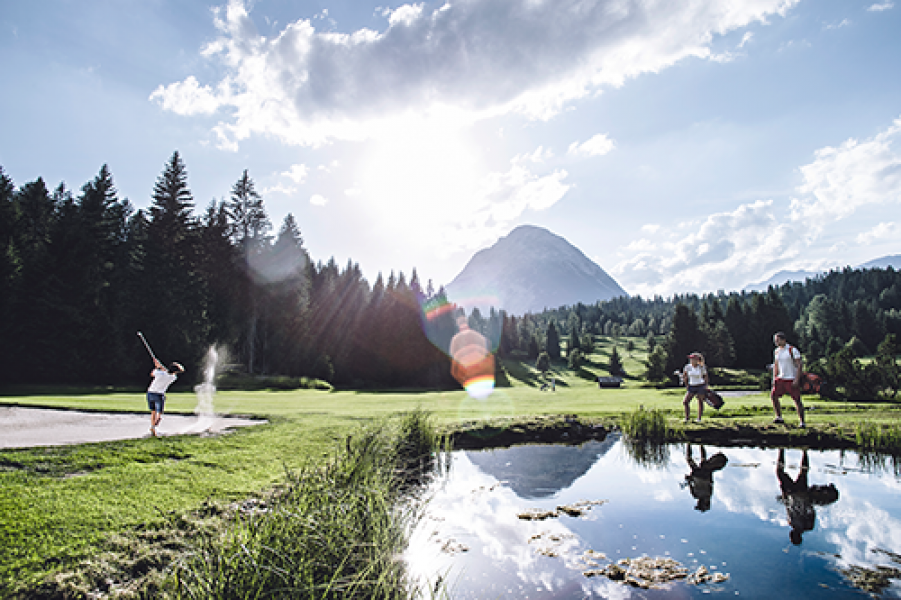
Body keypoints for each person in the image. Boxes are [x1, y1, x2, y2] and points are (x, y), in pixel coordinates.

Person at [771, 332, 806, 427]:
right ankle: (779, 417)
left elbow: (799, 365)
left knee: (797, 400)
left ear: (783, 340)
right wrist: (774, 378)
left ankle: (802, 422)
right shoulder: (776, 351)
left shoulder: (792, 350)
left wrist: (796, 379)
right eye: (775, 340)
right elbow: (776, 365)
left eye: (778, 340)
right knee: (773, 396)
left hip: (791, 378)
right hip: (781, 378)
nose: (776, 342)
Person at [683, 444, 728, 512]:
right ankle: (689, 444)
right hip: (697, 475)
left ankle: (700, 444)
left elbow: (710, 483)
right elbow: (690, 482)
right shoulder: (696, 495)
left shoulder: (707, 494)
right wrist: (689, 478)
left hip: (702, 475)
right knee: (690, 459)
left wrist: (708, 473)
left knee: (703, 460)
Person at [147, 358, 185, 437]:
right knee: (159, 413)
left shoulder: (159, 373)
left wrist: (157, 367)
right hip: (159, 395)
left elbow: (152, 374)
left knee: (153, 412)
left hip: (150, 393)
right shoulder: (173, 378)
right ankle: (154, 427)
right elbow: (168, 373)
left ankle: (153, 427)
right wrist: (160, 366)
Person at [682, 352, 709, 423]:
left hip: (700, 385)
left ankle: (699, 418)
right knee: (685, 402)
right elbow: (685, 376)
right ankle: (687, 418)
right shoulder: (687, 367)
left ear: (697, 360)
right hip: (692, 386)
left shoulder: (701, 367)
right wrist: (686, 385)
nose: (691, 360)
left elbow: (705, 376)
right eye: (690, 359)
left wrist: (706, 385)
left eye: (692, 359)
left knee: (700, 402)